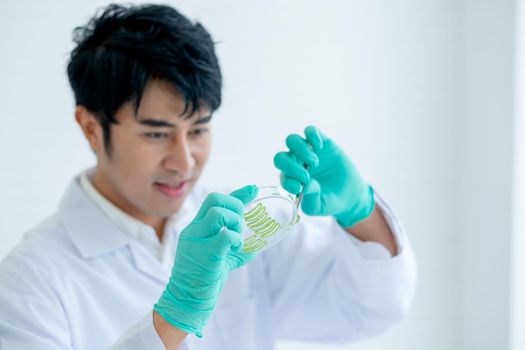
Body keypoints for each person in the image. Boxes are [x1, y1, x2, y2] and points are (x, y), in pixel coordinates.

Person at [0, 4, 417, 350]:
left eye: (198, 129)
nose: (184, 161)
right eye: (157, 133)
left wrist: (359, 212)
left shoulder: (242, 224)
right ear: (91, 127)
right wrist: (175, 316)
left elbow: (365, 310)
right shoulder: (31, 279)